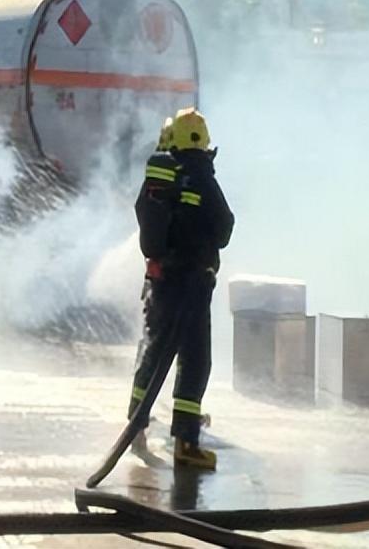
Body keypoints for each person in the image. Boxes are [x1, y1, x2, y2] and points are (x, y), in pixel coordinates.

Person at [127, 108, 234, 470]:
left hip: (160, 281)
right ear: (201, 141)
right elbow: (224, 226)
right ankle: (186, 442)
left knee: (153, 353)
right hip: (192, 284)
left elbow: (146, 219)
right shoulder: (199, 171)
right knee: (195, 361)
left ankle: (136, 427)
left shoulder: (160, 173)